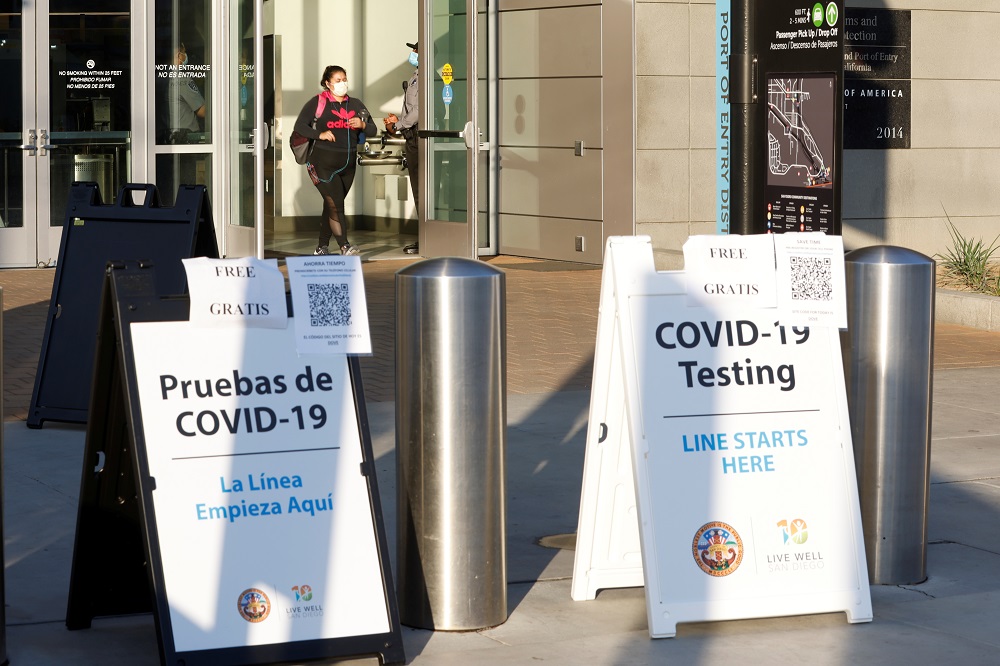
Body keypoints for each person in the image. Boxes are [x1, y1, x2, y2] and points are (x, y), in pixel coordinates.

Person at [294, 65, 376, 256]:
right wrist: (320, 134)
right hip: (321, 163)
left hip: (348, 165)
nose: (342, 83)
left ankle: (321, 247)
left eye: (344, 79)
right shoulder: (318, 102)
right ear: (327, 83)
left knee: (331, 204)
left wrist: (362, 124)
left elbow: (373, 129)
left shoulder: (355, 104)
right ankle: (344, 246)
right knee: (336, 204)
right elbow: (300, 126)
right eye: (338, 80)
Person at [384, 41, 420, 254]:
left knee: (422, 188)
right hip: (412, 136)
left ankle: (428, 237)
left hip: (419, 137)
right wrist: (398, 121)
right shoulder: (416, 75)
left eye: (416, 50)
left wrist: (397, 125)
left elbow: (419, 110)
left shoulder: (427, 78)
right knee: (418, 188)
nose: (412, 53)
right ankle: (426, 235)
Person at [167, 43, 206, 144]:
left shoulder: (161, 77)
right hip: (185, 137)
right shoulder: (182, 79)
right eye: (184, 53)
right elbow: (202, 111)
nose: (186, 56)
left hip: (168, 136)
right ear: (179, 55)